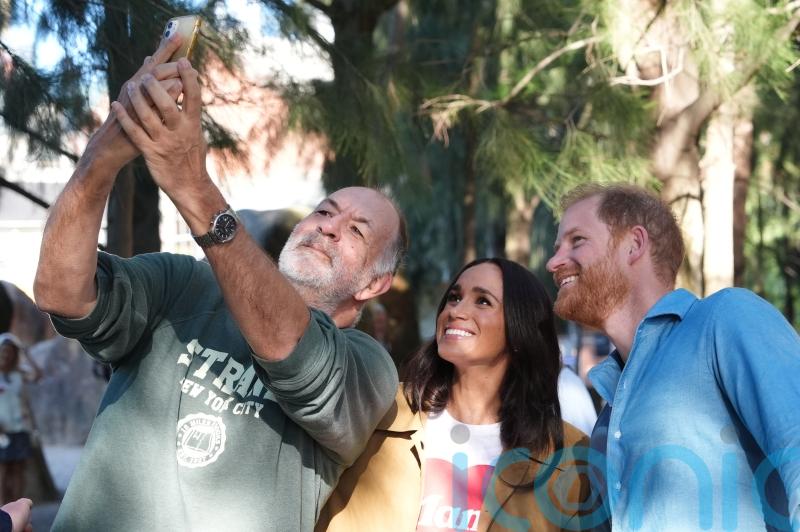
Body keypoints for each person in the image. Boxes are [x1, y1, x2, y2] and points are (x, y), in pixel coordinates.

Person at [33, 35, 405, 531]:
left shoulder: (368, 366)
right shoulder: (182, 282)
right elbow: (60, 293)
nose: (329, 226)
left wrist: (192, 184)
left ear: (375, 285)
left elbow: (290, 347)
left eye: (357, 231)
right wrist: (105, 152)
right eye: (324, 211)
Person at [546, 183, 800, 531]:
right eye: (557, 246)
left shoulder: (725, 318)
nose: (554, 261)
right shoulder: (609, 416)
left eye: (577, 241)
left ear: (633, 244)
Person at [318, 258, 592, 532]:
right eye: (453, 297)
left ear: (520, 327)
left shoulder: (569, 454)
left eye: (483, 301)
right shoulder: (379, 409)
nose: (456, 310)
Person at [0, 334, 41, 503]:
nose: (6, 355)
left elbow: (38, 375)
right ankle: (3, 508)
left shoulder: (20, 374)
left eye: (10, 352)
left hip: (21, 427)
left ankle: (17, 506)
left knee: (18, 468)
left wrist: (27, 353)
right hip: (2, 430)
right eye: (3, 351)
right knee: (2, 470)